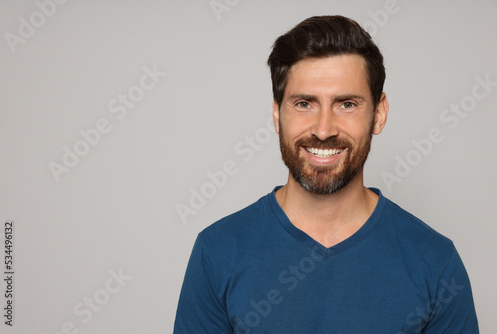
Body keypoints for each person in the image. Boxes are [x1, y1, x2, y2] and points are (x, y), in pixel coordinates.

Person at [173, 15, 479, 333]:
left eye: (346, 104)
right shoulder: (218, 252)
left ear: (379, 114)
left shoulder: (436, 263)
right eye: (304, 103)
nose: (323, 130)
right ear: (277, 115)